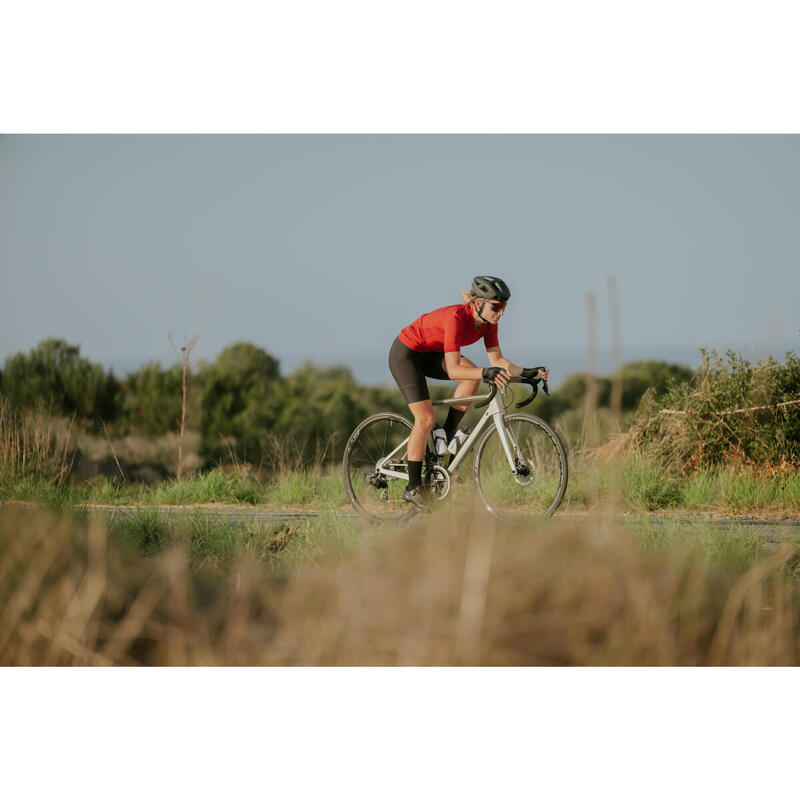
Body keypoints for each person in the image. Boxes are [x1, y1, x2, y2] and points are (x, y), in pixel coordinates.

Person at [388, 275, 548, 510]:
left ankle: (446, 434)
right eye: (496, 306)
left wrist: (527, 373)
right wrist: (486, 373)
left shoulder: (489, 324)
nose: (501, 312)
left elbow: (498, 361)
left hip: (432, 354)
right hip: (406, 355)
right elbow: (454, 370)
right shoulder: (456, 318)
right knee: (425, 418)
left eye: (504, 307)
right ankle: (412, 487)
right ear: (478, 302)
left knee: (473, 373)